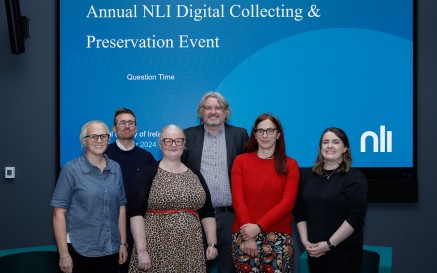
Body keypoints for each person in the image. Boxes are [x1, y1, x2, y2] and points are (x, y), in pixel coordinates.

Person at [128, 124, 218, 273]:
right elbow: (136, 213)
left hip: (191, 250)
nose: (173, 145)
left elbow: (207, 211)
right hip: (155, 249)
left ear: (184, 143)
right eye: (168, 141)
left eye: (178, 141)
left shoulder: (195, 174)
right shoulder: (148, 173)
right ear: (161, 144)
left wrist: (212, 244)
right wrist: (141, 250)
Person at [182, 91, 249, 273]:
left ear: (225, 112)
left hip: (230, 216)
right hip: (197, 216)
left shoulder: (240, 135)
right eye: (208, 108)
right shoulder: (187, 135)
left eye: (218, 107)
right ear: (201, 112)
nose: (213, 112)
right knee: (197, 267)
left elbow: (248, 174)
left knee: (229, 268)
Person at [51, 120, 128, 273]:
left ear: (108, 139)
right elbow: (58, 214)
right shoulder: (70, 170)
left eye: (103, 137)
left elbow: (120, 206)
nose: (99, 141)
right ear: (84, 141)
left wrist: (123, 243)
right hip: (81, 250)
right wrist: (64, 254)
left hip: (110, 249)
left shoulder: (115, 168)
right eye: (93, 137)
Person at [231, 113, 300, 273]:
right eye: (260, 131)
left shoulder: (291, 165)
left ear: (278, 134)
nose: (265, 135)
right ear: (254, 134)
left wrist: (259, 227)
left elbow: (287, 203)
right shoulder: (241, 161)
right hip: (244, 236)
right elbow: (238, 199)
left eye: (270, 130)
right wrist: (249, 235)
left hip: (279, 238)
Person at [293, 127, 368, 273]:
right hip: (315, 253)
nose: (330, 146)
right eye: (325, 142)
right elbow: (299, 210)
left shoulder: (354, 177)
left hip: (344, 254)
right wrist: (305, 241)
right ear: (320, 148)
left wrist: (328, 245)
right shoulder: (307, 175)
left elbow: (356, 217)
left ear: (345, 148)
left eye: (336, 142)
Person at [105, 107, 156, 273]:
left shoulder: (146, 157)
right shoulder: (103, 154)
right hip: (108, 225)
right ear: (114, 128)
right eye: (122, 123)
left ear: (136, 127)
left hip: (139, 226)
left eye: (131, 123)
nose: (127, 126)